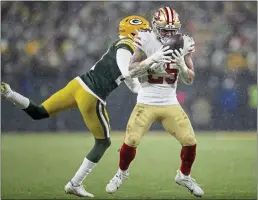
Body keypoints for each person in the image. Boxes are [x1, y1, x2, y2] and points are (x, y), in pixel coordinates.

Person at [1, 15, 174, 198]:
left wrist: (143, 91)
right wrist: (151, 63)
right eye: (144, 30)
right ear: (134, 32)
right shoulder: (126, 46)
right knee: (103, 142)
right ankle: (75, 184)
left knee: (39, 112)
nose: (147, 34)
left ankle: (8, 93)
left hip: (78, 84)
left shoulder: (124, 45)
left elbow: (130, 82)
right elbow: (128, 72)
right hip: (93, 95)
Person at [105, 7, 204, 197]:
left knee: (190, 141)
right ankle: (121, 173)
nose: (168, 33)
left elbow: (189, 79)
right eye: (164, 29)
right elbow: (131, 71)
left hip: (170, 101)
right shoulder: (145, 39)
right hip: (146, 100)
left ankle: (184, 176)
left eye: (172, 29)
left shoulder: (185, 42)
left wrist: (182, 67)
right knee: (131, 140)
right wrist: (151, 60)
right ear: (155, 26)